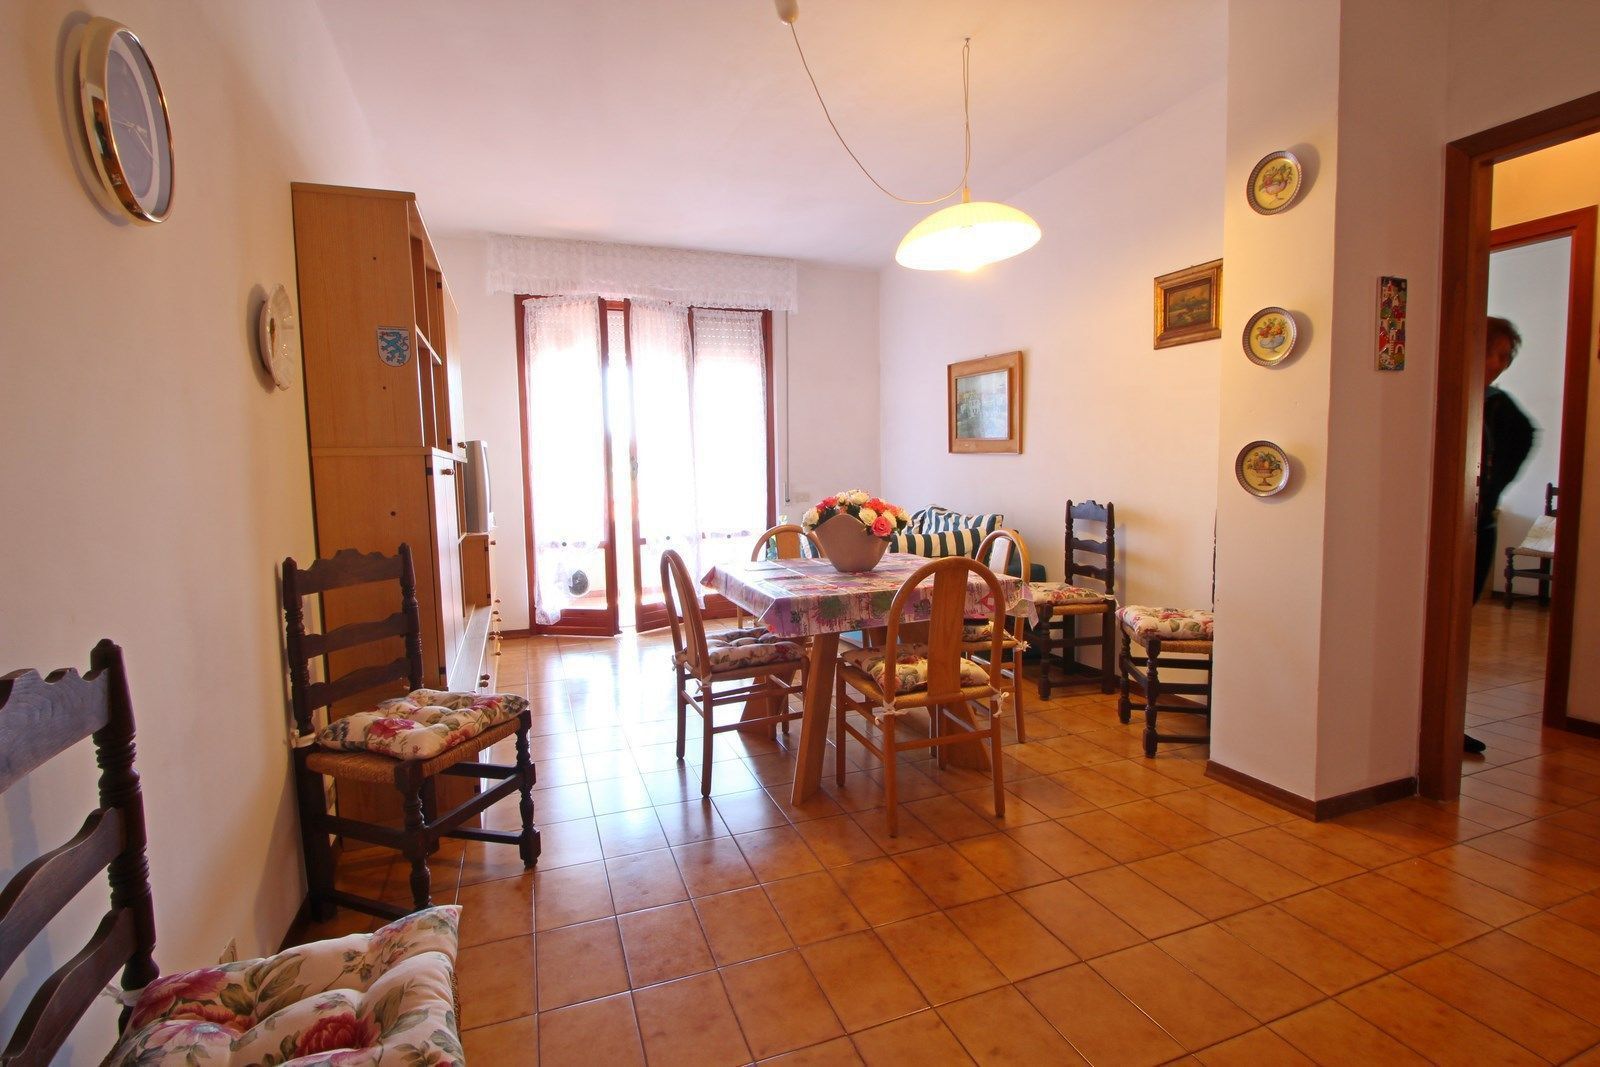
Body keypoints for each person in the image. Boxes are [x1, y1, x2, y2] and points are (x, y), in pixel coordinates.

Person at [1466, 316, 1537, 754]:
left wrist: (1488, 494)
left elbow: (1521, 441)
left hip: (1479, 529)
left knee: (1454, 625)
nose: (1500, 363)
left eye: (1507, 357)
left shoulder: (1497, 406)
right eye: (1496, 353)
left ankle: (1442, 721)